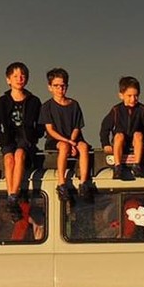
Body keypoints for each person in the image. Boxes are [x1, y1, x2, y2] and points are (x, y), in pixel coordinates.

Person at [0, 61, 41, 215]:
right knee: (9, 159)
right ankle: (11, 194)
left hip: (25, 139)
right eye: (15, 76)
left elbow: (41, 124)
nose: (19, 79)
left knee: (19, 155)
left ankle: (13, 195)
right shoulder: (2, 102)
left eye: (22, 76)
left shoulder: (34, 101)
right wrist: (2, 138)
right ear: (8, 79)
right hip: (8, 139)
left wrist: (33, 136)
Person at [39, 67, 93, 201]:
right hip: (55, 140)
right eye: (56, 86)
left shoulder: (74, 104)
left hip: (74, 138)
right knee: (63, 147)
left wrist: (72, 141)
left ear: (67, 86)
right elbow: (50, 130)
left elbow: (77, 127)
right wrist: (69, 143)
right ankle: (61, 183)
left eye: (62, 86)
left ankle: (84, 183)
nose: (60, 89)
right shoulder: (47, 106)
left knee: (84, 147)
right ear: (50, 87)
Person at [99, 76, 144, 180]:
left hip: (136, 142)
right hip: (121, 142)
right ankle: (117, 167)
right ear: (121, 95)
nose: (133, 99)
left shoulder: (142, 110)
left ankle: (137, 165)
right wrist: (105, 144)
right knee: (119, 136)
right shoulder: (116, 110)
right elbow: (105, 127)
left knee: (138, 134)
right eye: (129, 96)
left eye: (136, 96)